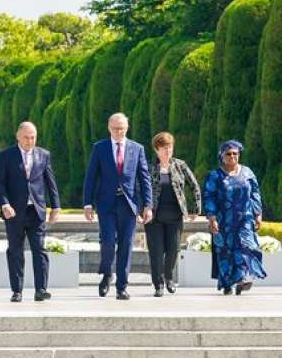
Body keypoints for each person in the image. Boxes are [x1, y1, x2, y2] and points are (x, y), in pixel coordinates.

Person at [83, 112, 153, 300]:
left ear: (127, 128)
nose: (118, 132)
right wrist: (87, 203)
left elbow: (144, 178)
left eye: (121, 128)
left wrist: (148, 205)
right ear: (109, 128)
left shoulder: (137, 149)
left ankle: (122, 286)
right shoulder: (100, 148)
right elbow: (91, 177)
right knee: (107, 241)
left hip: (129, 205)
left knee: (126, 245)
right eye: (115, 128)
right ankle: (107, 273)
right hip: (106, 204)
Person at [0, 122, 61, 302]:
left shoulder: (43, 155)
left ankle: (41, 289)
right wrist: (4, 204)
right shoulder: (7, 156)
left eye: (33, 137)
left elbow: (50, 182)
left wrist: (56, 206)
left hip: (36, 212)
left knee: (40, 250)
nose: (30, 141)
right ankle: (17, 290)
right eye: (26, 137)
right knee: (15, 251)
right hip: (14, 212)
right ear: (18, 136)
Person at [203, 140, 266, 295]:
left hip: (245, 218)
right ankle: (227, 284)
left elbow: (255, 193)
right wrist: (212, 218)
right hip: (223, 220)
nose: (232, 156)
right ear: (222, 156)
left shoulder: (247, 173)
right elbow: (209, 196)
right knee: (225, 252)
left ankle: (243, 278)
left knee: (247, 246)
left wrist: (258, 214)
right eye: (228, 154)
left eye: (235, 154)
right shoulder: (215, 176)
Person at [145, 132, 201, 297]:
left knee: (173, 250)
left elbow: (194, 186)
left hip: (175, 215)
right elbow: (139, 189)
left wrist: (196, 208)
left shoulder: (180, 165)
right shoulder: (149, 167)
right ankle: (158, 284)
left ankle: (169, 278)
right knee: (156, 252)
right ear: (156, 150)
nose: (167, 151)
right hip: (154, 217)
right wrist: (141, 209)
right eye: (164, 148)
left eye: (170, 147)